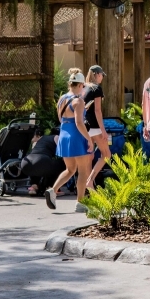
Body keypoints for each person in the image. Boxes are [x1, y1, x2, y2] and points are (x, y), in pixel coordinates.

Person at [46, 71, 92, 210]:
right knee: (83, 171)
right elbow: (79, 123)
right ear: (80, 85)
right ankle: (80, 202)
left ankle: (53, 190)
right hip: (76, 136)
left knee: (70, 169)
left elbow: (61, 118)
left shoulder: (61, 99)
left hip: (64, 135)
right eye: (83, 86)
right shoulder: (79, 101)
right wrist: (89, 139)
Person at [80, 64, 112, 190]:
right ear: (97, 74)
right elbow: (97, 110)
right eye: (102, 75)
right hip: (94, 126)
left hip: (84, 126)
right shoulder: (96, 89)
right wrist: (103, 130)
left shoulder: (83, 87)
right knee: (106, 154)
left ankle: (90, 188)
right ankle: (90, 181)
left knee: (89, 156)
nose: (102, 77)